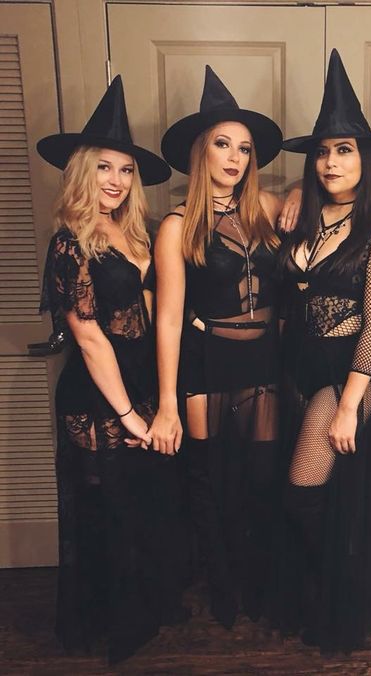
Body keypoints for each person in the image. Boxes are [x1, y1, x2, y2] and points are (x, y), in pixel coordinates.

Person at [37, 76, 184, 663]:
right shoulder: (68, 243)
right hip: (98, 397)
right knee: (108, 509)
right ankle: (103, 623)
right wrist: (128, 415)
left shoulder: (137, 233)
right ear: (82, 172)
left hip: (142, 385)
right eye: (104, 168)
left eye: (126, 170)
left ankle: (146, 607)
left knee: (145, 502)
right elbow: (90, 338)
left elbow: (156, 312)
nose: (117, 181)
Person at [150, 66, 286, 629]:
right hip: (206, 363)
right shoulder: (178, 226)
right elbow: (168, 319)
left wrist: (299, 193)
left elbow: (322, 204)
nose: (235, 158)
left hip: (264, 362)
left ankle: (257, 582)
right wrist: (165, 403)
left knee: (261, 477)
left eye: (245, 149)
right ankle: (224, 587)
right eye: (223, 144)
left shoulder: (268, 210)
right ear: (201, 151)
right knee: (210, 483)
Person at [279, 49, 371, 653]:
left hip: (346, 377)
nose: (331, 162)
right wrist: (288, 191)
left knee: (303, 491)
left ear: (365, 158)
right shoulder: (302, 216)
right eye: (323, 152)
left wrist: (350, 405)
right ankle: (313, 589)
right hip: (294, 371)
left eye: (345, 150)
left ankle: (339, 598)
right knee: (315, 495)